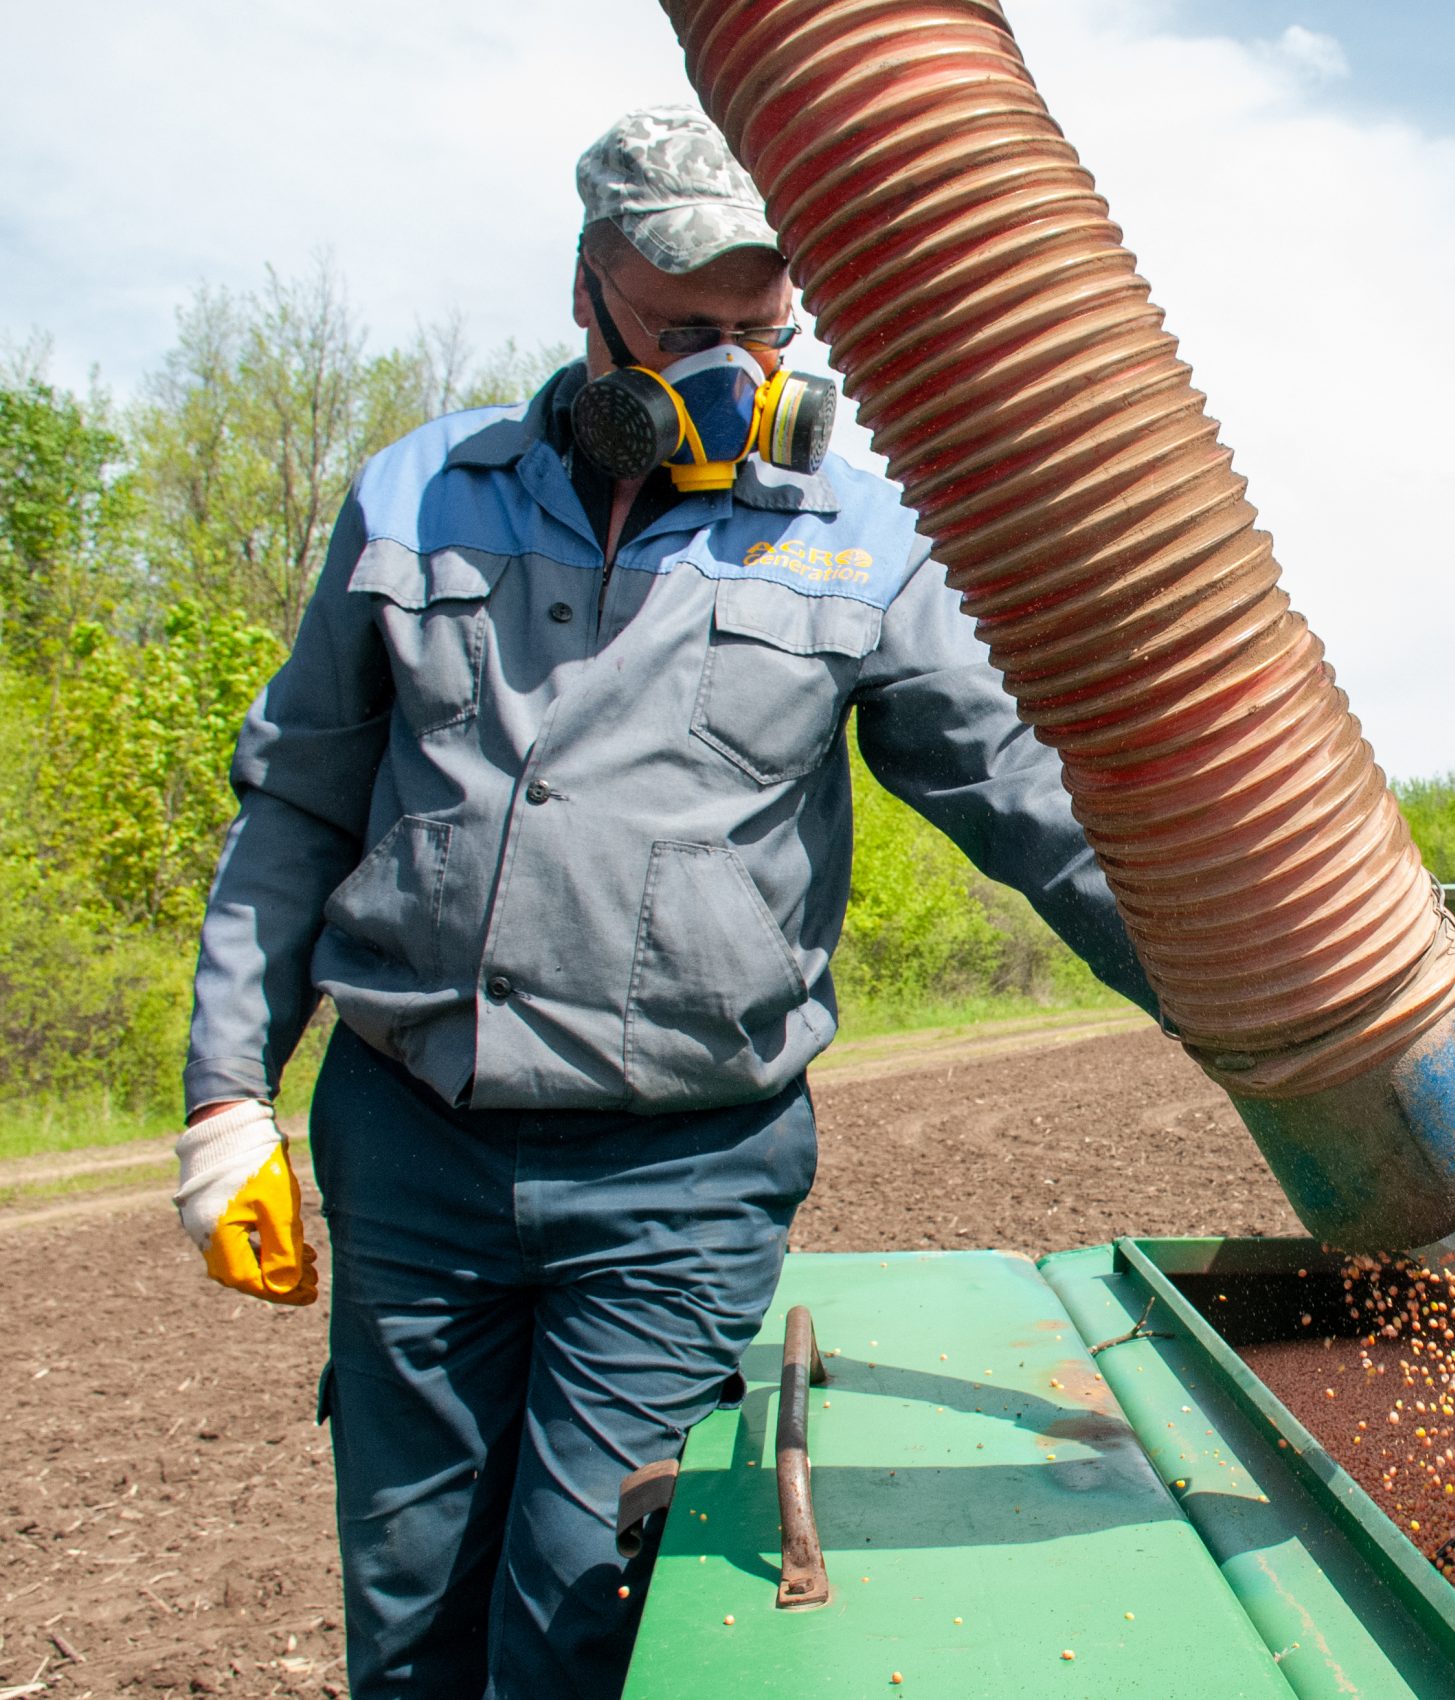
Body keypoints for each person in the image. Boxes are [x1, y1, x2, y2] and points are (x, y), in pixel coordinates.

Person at [168, 105, 1149, 1699]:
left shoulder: (856, 545)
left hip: (678, 1176)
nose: (725, 370)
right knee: (410, 1611)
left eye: (761, 330)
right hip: (411, 1147)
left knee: (580, 1618)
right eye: (684, 327)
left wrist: (1268, 1011)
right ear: (585, 291)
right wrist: (226, 1096)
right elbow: (298, 801)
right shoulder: (419, 500)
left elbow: (1026, 804)